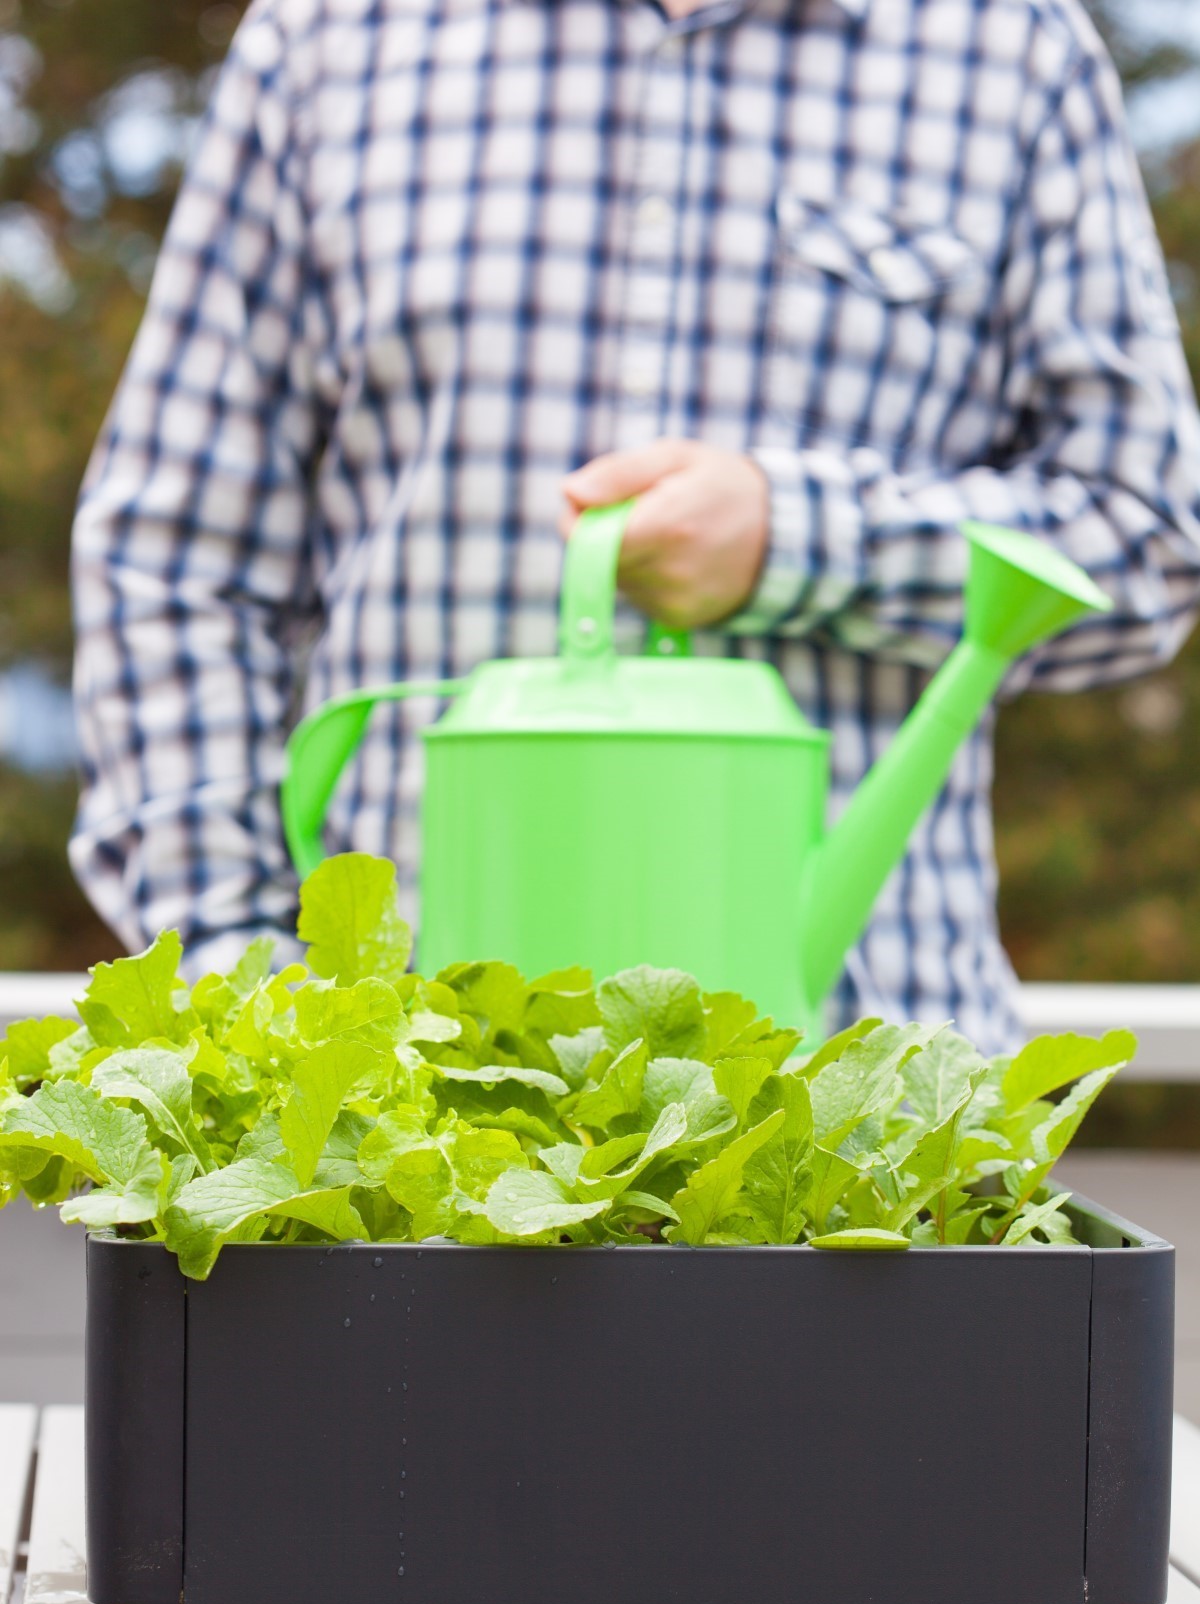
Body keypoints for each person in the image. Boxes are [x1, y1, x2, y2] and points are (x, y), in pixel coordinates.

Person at [70, 0, 1200, 1051]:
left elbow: (1147, 534)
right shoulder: (330, 35)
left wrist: (797, 540)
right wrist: (250, 976)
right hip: (403, 1108)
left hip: (876, 1101)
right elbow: (172, 559)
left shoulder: (1009, 48)